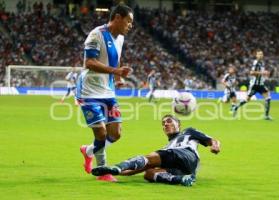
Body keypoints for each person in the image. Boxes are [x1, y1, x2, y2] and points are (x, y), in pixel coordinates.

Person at [76, 4, 134, 182]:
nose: (130, 25)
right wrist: (115, 72)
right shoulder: (96, 34)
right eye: (128, 21)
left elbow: (115, 60)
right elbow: (90, 63)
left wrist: (118, 78)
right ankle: (102, 170)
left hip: (108, 91)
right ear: (117, 17)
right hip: (89, 91)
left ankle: (89, 151)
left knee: (115, 134)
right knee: (101, 133)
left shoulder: (120, 39)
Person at [91, 114, 221, 186]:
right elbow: (139, 168)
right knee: (149, 173)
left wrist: (215, 146)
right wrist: (113, 173)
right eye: (163, 124)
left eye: (169, 121)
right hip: (184, 169)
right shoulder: (167, 147)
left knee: (149, 158)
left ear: (179, 125)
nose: (165, 125)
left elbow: (211, 140)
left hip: (187, 155)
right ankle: (182, 179)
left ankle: (117, 166)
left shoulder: (188, 132)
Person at [233, 49, 272, 120]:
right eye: (259, 54)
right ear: (256, 55)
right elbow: (251, 72)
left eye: (261, 54)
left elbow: (260, 73)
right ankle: (236, 107)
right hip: (254, 85)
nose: (260, 55)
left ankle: (266, 116)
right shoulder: (256, 62)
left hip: (260, 84)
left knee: (268, 98)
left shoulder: (262, 63)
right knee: (247, 99)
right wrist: (262, 73)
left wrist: (265, 74)